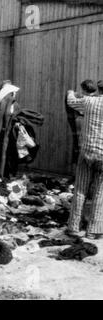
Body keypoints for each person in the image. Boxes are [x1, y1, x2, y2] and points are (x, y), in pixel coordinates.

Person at [66, 85, 103, 240]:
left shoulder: (89, 101)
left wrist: (70, 93)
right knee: (100, 192)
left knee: (80, 189)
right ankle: (94, 230)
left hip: (86, 151)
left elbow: (71, 102)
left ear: (99, 90)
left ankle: (74, 227)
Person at [66, 80, 98, 169]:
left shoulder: (86, 100)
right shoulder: (99, 99)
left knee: (80, 149)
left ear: (84, 89)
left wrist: (70, 93)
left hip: (86, 129)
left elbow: (71, 101)